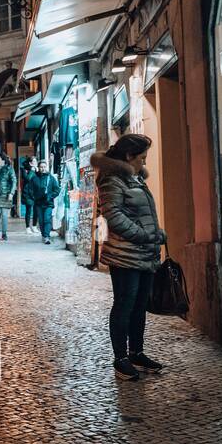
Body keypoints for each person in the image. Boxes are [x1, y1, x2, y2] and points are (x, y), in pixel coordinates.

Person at [94, 134, 166, 381]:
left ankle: (137, 353)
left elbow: (142, 213)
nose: (144, 163)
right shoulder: (112, 180)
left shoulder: (134, 178)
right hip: (125, 255)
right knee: (124, 304)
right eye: (142, 157)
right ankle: (120, 359)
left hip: (144, 252)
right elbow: (113, 216)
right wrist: (145, 235)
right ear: (128, 156)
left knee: (139, 305)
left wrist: (156, 234)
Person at [26, 160, 60, 245]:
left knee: (47, 219)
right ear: (38, 168)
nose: (43, 169)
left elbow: (57, 190)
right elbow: (29, 189)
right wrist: (34, 197)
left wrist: (50, 196)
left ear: (46, 167)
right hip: (38, 203)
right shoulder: (34, 178)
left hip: (48, 203)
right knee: (41, 220)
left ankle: (47, 236)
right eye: (41, 167)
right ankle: (43, 235)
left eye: (44, 167)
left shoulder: (51, 178)